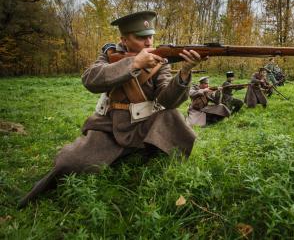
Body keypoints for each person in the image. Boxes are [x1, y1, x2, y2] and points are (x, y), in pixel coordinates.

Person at [18, 11, 204, 208]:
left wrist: (184, 73)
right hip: (109, 126)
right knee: (69, 163)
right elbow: (90, 79)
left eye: (150, 36)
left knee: (171, 117)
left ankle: (141, 151)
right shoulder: (109, 55)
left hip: (144, 125)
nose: (149, 42)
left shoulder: (160, 60)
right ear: (124, 39)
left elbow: (167, 100)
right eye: (141, 37)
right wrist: (134, 63)